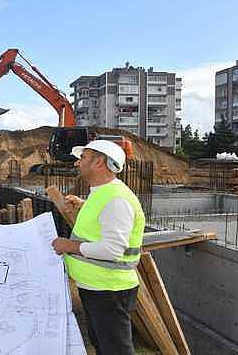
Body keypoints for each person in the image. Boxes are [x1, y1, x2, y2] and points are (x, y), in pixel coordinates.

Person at [51, 140, 144, 355]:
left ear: (99, 162)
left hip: (109, 291)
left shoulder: (117, 200)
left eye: (83, 157)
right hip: (98, 288)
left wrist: (70, 246)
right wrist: (83, 204)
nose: (77, 163)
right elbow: (105, 218)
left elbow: (112, 250)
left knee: (116, 350)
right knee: (103, 347)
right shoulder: (102, 193)